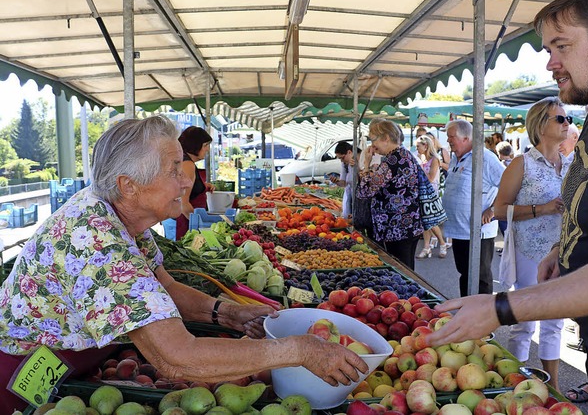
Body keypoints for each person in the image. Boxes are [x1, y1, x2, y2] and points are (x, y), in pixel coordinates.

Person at [0, 116, 368, 414]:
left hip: (71, 360)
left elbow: (165, 287)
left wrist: (223, 313)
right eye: (174, 169)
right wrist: (299, 351)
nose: (185, 180)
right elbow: (176, 358)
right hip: (21, 376)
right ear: (128, 184)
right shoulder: (97, 242)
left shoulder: (119, 214)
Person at [425, 0, 588, 413]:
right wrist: (565, 249)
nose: (550, 64)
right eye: (547, 51)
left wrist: (500, 308)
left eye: (562, 47)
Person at [493, 96, 572, 391]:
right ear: (540, 125)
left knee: (555, 322)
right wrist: (544, 208)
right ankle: (513, 384)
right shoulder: (521, 163)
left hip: (561, 251)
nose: (567, 124)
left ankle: (553, 389)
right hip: (529, 251)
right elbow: (499, 209)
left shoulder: (571, 164)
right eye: (560, 119)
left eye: (568, 119)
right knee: (524, 320)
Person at [441, 119, 505, 297]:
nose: (448, 141)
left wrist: (492, 209)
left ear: (466, 138)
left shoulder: (484, 158)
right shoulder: (456, 157)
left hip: (478, 230)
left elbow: (509, 184)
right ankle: (467, 311)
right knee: (465, 274)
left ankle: (483, 318)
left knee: (480, 277)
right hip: (459, 229)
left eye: (451, 137)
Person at [357, 118, 423, 269]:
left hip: (395, 227)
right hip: (409, 224)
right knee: (408, 269)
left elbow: (365, 191)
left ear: (386, 138)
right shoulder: (405, 155)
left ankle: (407, 294)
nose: (372, 145)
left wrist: (366, 165)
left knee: (401, 271)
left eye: (373, 140)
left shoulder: (392, 161)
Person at [176, 126, 214, 240]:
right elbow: (183, 203)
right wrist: (201, 227)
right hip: (186, 224)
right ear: (195, 145)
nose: (207, 149)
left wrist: (202, 186)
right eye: (205, 145)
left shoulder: (184, 160)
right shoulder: (187, 164)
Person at [414, 135, 447, 259]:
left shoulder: (435, 159)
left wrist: (420, 168)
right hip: (422, 193)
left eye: (418, 146)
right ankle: (426, 247)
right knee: (424, 222)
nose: (417, 148)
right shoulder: (422, 159)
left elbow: (431, 178)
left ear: (425, 146)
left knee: (431, 221)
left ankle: (442, 243)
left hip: (432, 194)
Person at [330, 141, 359, 219]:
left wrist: (357, 168)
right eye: (339, 158)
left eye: (342, 157)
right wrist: (336, 181)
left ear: (349, 152)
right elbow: (344, 183)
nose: (341, 161)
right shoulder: (344, 164)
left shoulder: (361, 159)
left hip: (360, 196)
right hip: (350, 195)